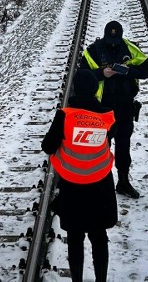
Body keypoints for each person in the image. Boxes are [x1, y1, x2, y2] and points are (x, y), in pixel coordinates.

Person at [42, 70, 118, 282]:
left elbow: (47, 146)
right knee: (99, 236)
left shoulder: (64, 115)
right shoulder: (107, 115)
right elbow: (110, 136)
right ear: (95, 90)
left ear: (75, 89)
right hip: (100, 184)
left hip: (72, 184)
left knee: (75, 237)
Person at [79, 20, 148, 199]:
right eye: (111, 40)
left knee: (123, 145)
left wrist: (129, 70)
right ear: (104, 36)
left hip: (125, 106)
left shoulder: (129, 48)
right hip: (101, 108)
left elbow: (147, 69)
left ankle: (123, 181)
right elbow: (81, 77)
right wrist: (102, 74)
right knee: (101, 147)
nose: (114, 43)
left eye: (116, 40)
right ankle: (100, 182)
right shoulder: (92, 51)